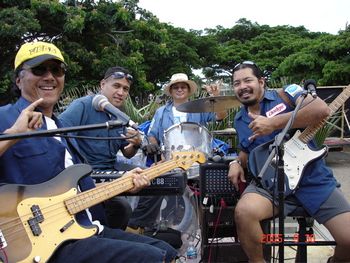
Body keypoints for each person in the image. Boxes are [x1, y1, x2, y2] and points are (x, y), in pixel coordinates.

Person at [0, 41, 177, 263]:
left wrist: (123, 183)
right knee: (151, 258)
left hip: (86, 227)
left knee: (167, 251)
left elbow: (73, 192)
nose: (49, 77)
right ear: (18, 79)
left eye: (57, 70)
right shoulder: (5, 118)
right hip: (43, 243)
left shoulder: (63, 130)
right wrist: (14, 133)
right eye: (39, 70)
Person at [228, 61, 350, 262]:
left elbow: (321, 110)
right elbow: (246, 149)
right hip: (270, 186)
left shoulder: (287, 93)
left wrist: (273, 122)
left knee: (348, 240)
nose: (242, 86)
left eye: (247, 80)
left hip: (313, 180)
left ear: (261, 81)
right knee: (244, 212)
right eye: (236, 83)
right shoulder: (240, 119)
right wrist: (235, 162)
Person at [128, 73, 226, 231]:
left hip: (197, 159)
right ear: (171, 91)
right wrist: (153, 145)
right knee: (152, 188)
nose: (180, 89)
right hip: (169, 161)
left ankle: (203, 228)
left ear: (188, 91)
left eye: (183, 87)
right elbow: (152, 135)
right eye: (176, 87)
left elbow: (220, 116)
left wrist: (216, 97)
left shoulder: (200, 107)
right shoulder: (161, 112)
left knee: (206, 195)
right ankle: (156, 227)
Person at [59, 65, 142, 229]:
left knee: (148, 176)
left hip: (112, 167)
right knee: (121, 208)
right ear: (102, 84)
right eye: (116, 86)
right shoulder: (82, 105)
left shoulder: (119, 114)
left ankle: (139, 227)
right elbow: (60, 134)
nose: (121, 92)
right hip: (86, 173)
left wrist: (136, 144)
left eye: (125, 89)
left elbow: (127, 153)